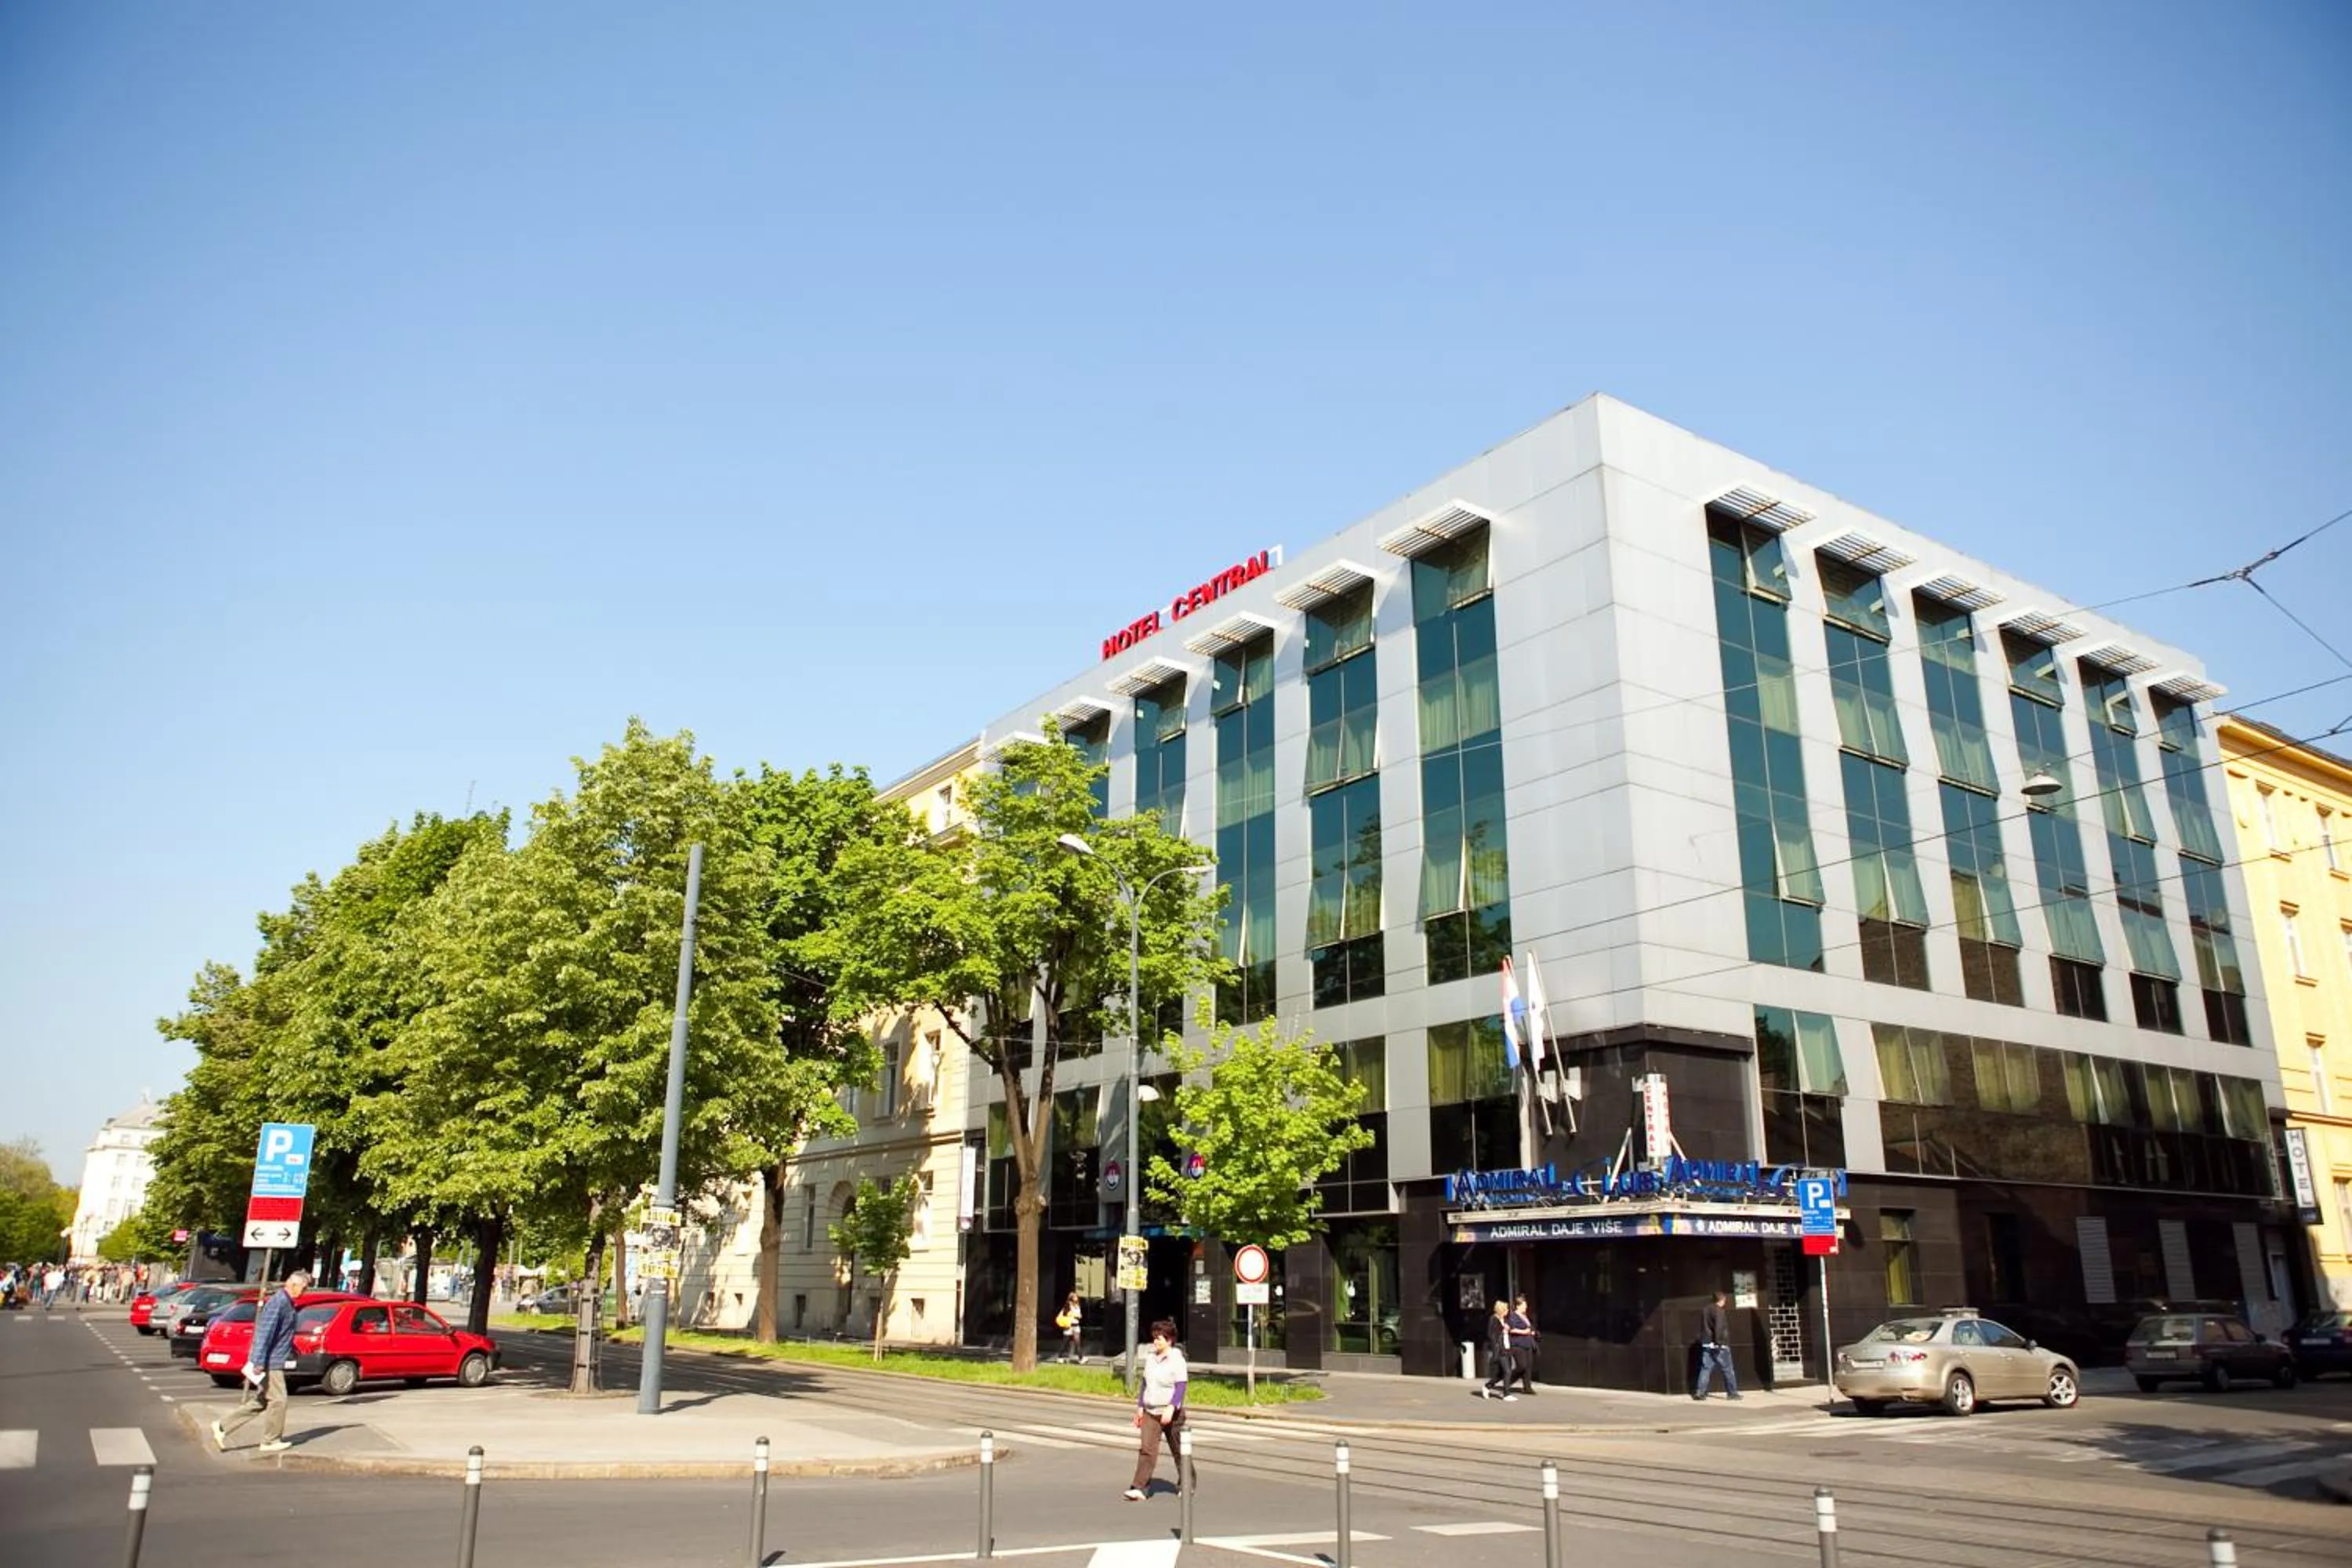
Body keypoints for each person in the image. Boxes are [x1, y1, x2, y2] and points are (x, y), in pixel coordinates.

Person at [215, 1269, 312, 1454]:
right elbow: (264, 1333)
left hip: (273, 1358)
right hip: (270, 1362)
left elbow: (281, 1333)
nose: (304, 1292)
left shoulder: (286, 1302)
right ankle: (270, 1441)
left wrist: (292, 1348)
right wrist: (258, 1361)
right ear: (292, 1284)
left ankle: (222, 1426)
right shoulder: (279, 1303)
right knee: (279, 1400)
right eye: (304, 1288)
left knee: (262, 1400)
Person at [1124, 1319, 1188, 1501]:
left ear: (1169, 1340)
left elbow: (1181, 1386)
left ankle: (1187, 1482)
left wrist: (1172, 1407)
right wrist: (1140, 1407)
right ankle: (1140, 1487)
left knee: (1179, 1450)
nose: (1156, 1342)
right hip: (1151, 1410)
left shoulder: (1177, 1360)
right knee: (1147, 1449)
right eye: (1154, 1338)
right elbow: (1145, 1383)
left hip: (1171, 1413)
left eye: (1159, 1338)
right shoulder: (1151, 1359)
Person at [1693, 1289, 1741, 1400]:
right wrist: (1719, 1342)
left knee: (1706, 1368)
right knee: (1728, 1369)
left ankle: (1700, 1392)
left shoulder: (1706, 1310)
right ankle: (1732, 1393)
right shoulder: (1719, 1311)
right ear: (1722, 1299)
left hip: (1707, 1343)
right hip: (1719, 1345)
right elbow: (1719, 1327)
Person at [1476, 1299, 1515, 1400]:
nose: (1507, 1311)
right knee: (1507, 1372)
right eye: (1506, 1309)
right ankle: (1506, 1394)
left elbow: (1511, 1328)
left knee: (1502, 1374)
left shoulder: (1505, 1320)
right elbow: (1491, 1334)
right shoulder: (1493, 1319)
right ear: (1501, 1310)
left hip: (1507, 1348)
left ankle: (1487, 1386)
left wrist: (1508, 1329)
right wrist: (1503, 1330)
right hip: (1500, 1349)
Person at [1504, 1294, 1539, 1396]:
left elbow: (1529, 1327)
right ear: (1518, 1306)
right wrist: (1524, 1332)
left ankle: (1527, 1387)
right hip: (1518, 1345)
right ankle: (1508, 1382)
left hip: (1527, 1343)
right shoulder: (1513, 1316)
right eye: (1524, 1305)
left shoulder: (1525, 1316)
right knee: (1522, 1366)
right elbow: (1511, 1329)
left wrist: (1532, 1332)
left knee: (1528, 1366)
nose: (1526, 1307)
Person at [1056, 1291, 1084, 1364]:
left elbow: (1078, 1314)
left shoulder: (1077, 1305)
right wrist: (1074, 1315)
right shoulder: (1068, 1305)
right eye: (1074, 1297)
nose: (1076, 1298)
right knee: (1065, 1342)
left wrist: (1079, 1316)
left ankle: (1081, 1358)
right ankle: (1060, 1357)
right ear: (1071, 1298)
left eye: (1076, 1297)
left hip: (1076, 1326)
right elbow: (1065, 1314)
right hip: (1069, 1326)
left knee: (1077, 1342)